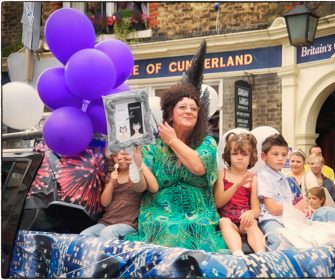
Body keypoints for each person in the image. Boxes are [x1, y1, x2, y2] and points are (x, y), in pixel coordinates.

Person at [125, 41, 227, 252]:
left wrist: (173, 140)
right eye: (183, 107)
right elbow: (142, 187)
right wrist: (136, 164)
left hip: (199, 214)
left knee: (189, 228)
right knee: (171, 228)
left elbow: (198, 168)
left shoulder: (206, 142)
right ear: (171, 113)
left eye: (194, 108)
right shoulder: (154, 145)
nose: (189, 111)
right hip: (159, 212)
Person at [80, 148, 158, 239]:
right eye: (115, 155)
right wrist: (112, 182)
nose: (119, 158)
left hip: (127, 223)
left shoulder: (137, 171)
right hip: (106, 221)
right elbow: (105, 203)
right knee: (84, 235)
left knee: (107, 232)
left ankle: (108, 254)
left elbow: (154, 188)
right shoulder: (112, 174)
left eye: (123, 154)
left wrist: (138, 163)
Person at [214, 133, 266, 256]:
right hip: (229, 222)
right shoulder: (222, 174)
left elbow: (256, 209)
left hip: (244, 222)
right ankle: (237, 253)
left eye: (244, 154)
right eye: (235, 153)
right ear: (228, 155)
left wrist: (251, 213)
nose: (239, 157)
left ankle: (262, 255)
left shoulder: (253, 178)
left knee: (252, 223)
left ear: (251, 157)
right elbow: (218, 202)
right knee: (224, 221)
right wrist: (236, 185)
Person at [257, 134, 306, 251]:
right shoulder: (263, 177)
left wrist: (303, 208)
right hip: (270, 220)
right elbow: (273, 209)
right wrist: (295, 207)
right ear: (264, 156)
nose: (280, 158)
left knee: (325, 213)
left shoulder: (285, 176)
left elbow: (294, 201)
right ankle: (274, 264)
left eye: (284, 155)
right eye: (275, 154)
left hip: (288, 218)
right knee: (280, 239)